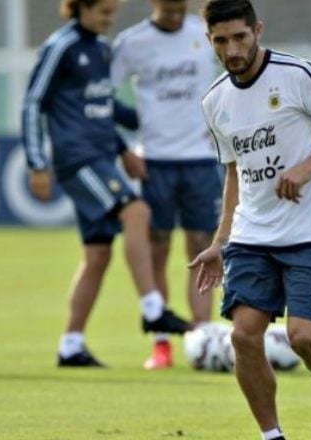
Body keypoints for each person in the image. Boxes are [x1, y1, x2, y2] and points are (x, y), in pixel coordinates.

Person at [189, 1, 311, 440]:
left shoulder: (299, 75)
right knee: (244, 335)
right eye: (221, 41)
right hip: (251, 237)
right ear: (209, 40)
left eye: (240, 37)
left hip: (310, 232)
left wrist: (307, 167)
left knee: (303, 338)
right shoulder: (214, 101)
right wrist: (220, 241)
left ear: (258, 31)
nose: (232, 50)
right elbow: (234, 172)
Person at [21, 0, 190, 368]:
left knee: (98, 254)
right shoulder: (61, 47)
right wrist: (37, 163)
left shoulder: (101, 49)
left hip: (102, 156)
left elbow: (103, 107)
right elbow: (34, 102)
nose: (109, 19)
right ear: (79, 7)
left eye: (113, 12)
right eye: (103, 12)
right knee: (136, 211)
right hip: (78, 160)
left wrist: (129, 144)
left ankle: (71, 344)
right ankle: (152, 308)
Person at [111, 0, 221, 370]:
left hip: (201, 158)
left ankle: (202, 336)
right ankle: (162, 341)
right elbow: (102, 96)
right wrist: (138, 127)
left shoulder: (202, 35)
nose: (175, 11)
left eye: (181, 5)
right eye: (168, 5)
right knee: (158, 247)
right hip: (155, 160)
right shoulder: (132, 42)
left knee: (203, 247)